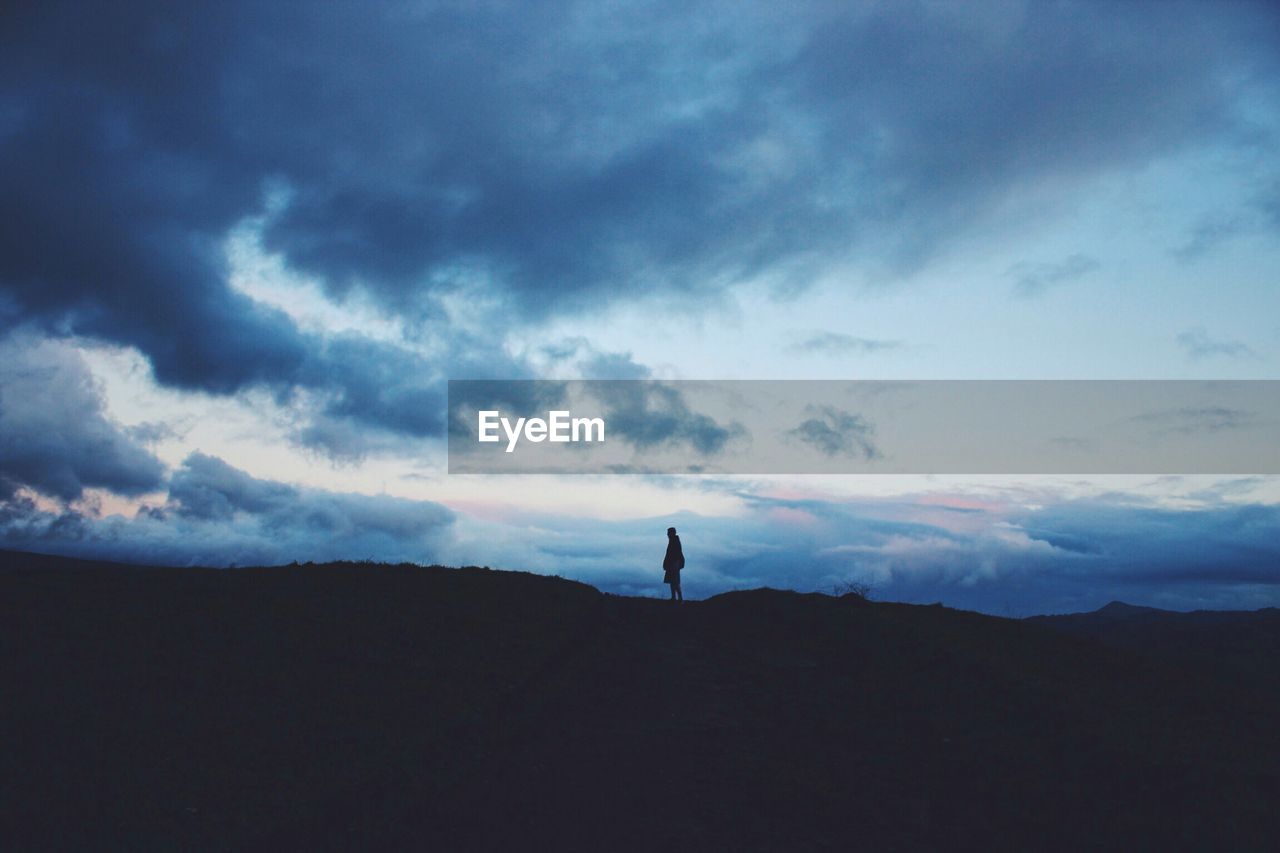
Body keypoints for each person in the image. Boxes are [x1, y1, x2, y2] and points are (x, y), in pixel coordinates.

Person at [663, 526, 684, 602]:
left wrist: (668, 562)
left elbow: (674, 554)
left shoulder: (674, 541)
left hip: (674, 563)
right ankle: (674, 598)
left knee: (675, 581)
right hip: (673, 563)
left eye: (668, 533)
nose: (667, 534)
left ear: (672, 533)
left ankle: (679, 598)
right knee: (673, 581)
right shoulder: (673, 540)